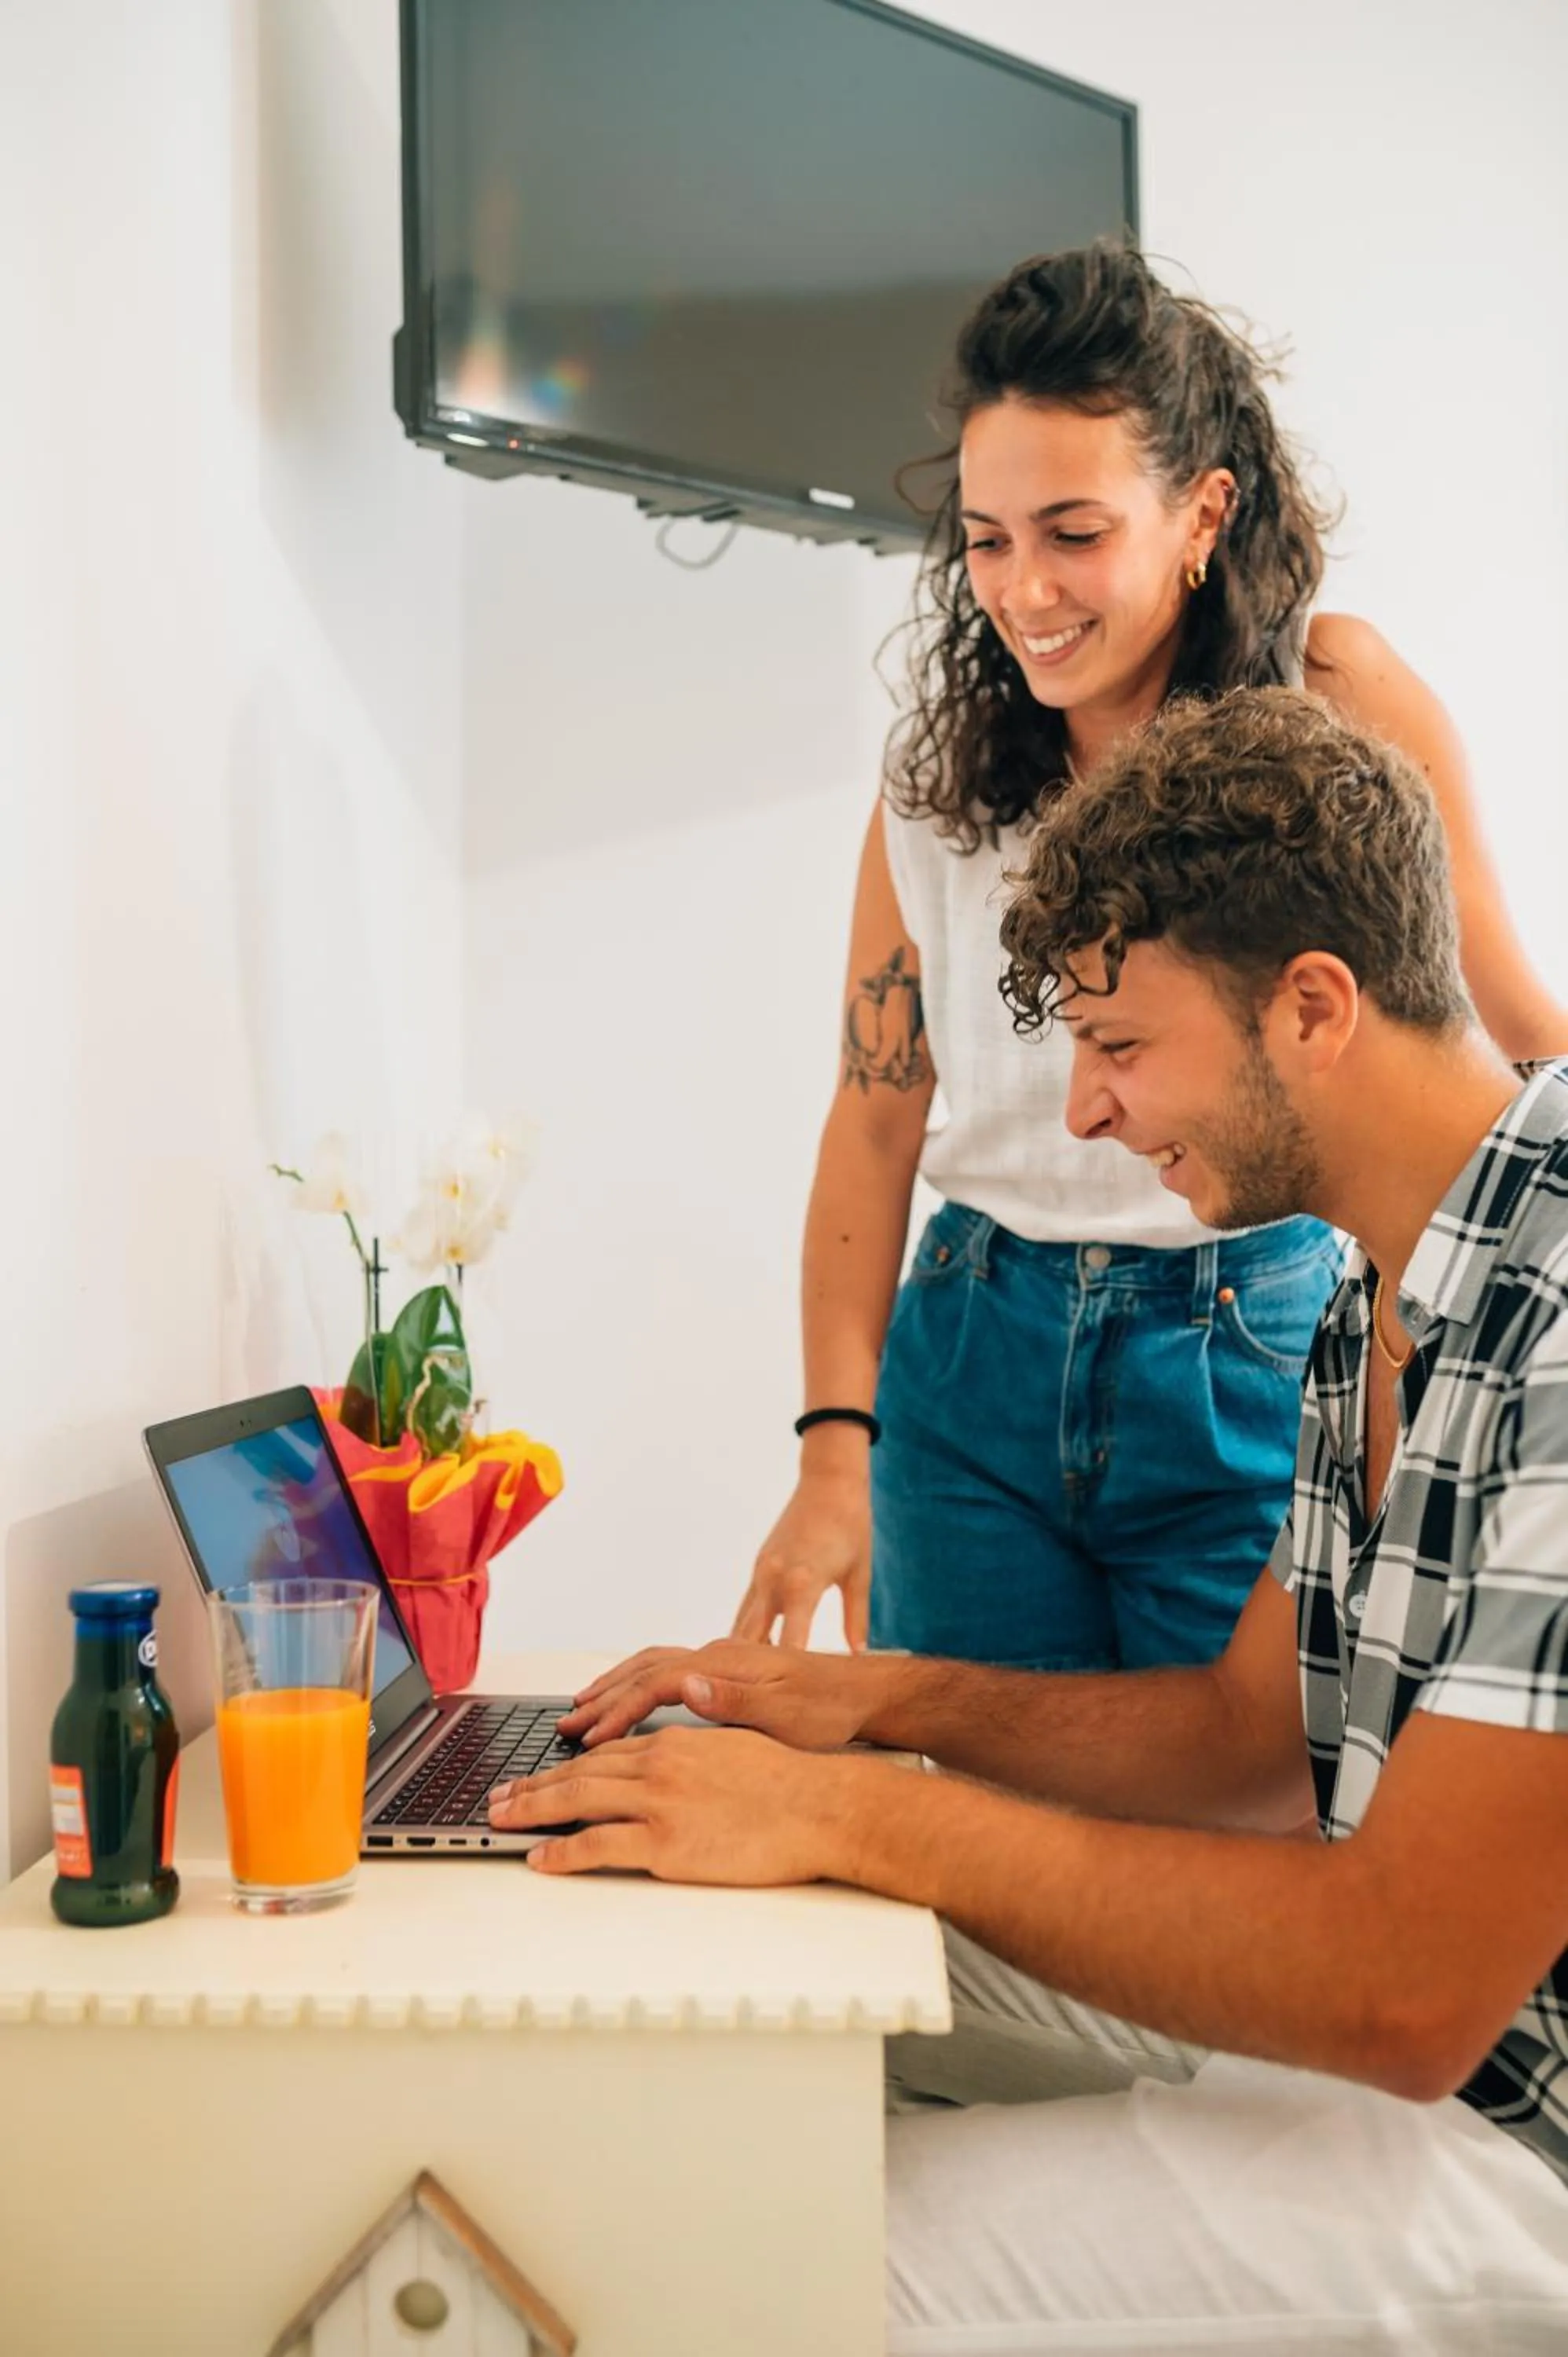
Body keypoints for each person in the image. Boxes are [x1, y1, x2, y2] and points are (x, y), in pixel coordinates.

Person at [492, 691, 1568, 2346]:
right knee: (745, 2025)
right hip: (1391, 2060)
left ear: (1311, 1008)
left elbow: (1406, 1989)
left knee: (773, 2256)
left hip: (1512, 2151)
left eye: (1119, 1048)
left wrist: (850, 1814)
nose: (1080, 1115)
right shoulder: (1373, 1286)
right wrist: (868, 1707)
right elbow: (1244, 1738)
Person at [732, 242, 1566, 1673]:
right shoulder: (939, 778)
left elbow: (1515, 1041)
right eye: (987, 540)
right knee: (969, 1793)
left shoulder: (1337, 704)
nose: (1023, 590)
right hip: (974, 1353)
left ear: (1203, 514)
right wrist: (831, 1453)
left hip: (1254, 1339)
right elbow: (874, 1120)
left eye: (1073, 532)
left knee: (1253, 1788)